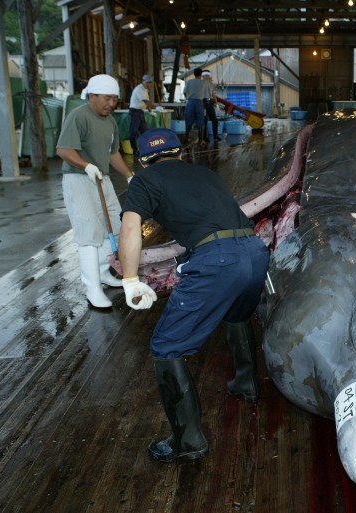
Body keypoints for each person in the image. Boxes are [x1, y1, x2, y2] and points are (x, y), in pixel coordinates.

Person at [118, 128, 270, 462]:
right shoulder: (205, 174)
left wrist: (130, 278)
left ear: (143, 161)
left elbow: (130, 230)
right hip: (254, 251)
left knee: (166, 346)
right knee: (237, 314)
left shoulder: (144, 181)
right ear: (180, 153)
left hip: (217, 261)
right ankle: (246, 383)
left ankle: (188, 442)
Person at [56, 74, 135, 309]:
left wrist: (129, 175)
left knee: (115, 225)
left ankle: (103, 273)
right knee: (89, 233)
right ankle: (92, 289)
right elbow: (63, 149)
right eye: (107, 98)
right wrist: (86, 165)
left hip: (102, 178)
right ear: (92, 96)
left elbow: (113, 153)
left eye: (115, 99)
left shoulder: (110, 121)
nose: (111, 104)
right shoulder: (78, 116)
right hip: (78, 179)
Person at [128, 74, 156, 154]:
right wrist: (156, 107)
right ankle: (135, 150)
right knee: (133, 132)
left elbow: (146, 103)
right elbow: (146, 101)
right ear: (143, 82)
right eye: (148, 82)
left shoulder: (145, 90)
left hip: (140, 112)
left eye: (150, 82)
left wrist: (150, 110)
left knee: (145, 132)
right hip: (135, 112)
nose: (149, 84)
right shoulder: (139, 89)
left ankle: (148, 148)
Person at [183, 67, 207, 143]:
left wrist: (187, 97)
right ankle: (201, 139)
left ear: (194, 74)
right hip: (199, 103)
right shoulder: (204, 82)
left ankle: (187, 138)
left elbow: (184, 91)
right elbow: (206, 94)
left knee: (188, 120)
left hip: (190, 102)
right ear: (201, 74)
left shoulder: (189, 82)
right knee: (200, 120)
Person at [201, 70, 220, 141]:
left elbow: (213, 94)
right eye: (206, 76)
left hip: (210, 102)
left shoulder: (211, 84)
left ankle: (215, 136)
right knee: (204, 120)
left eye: (208, 76)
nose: (207, 77)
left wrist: (216, 103)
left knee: (214, 120)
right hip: (203, 103)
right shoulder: (200, 83)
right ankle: (204, 137)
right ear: (203, 76)